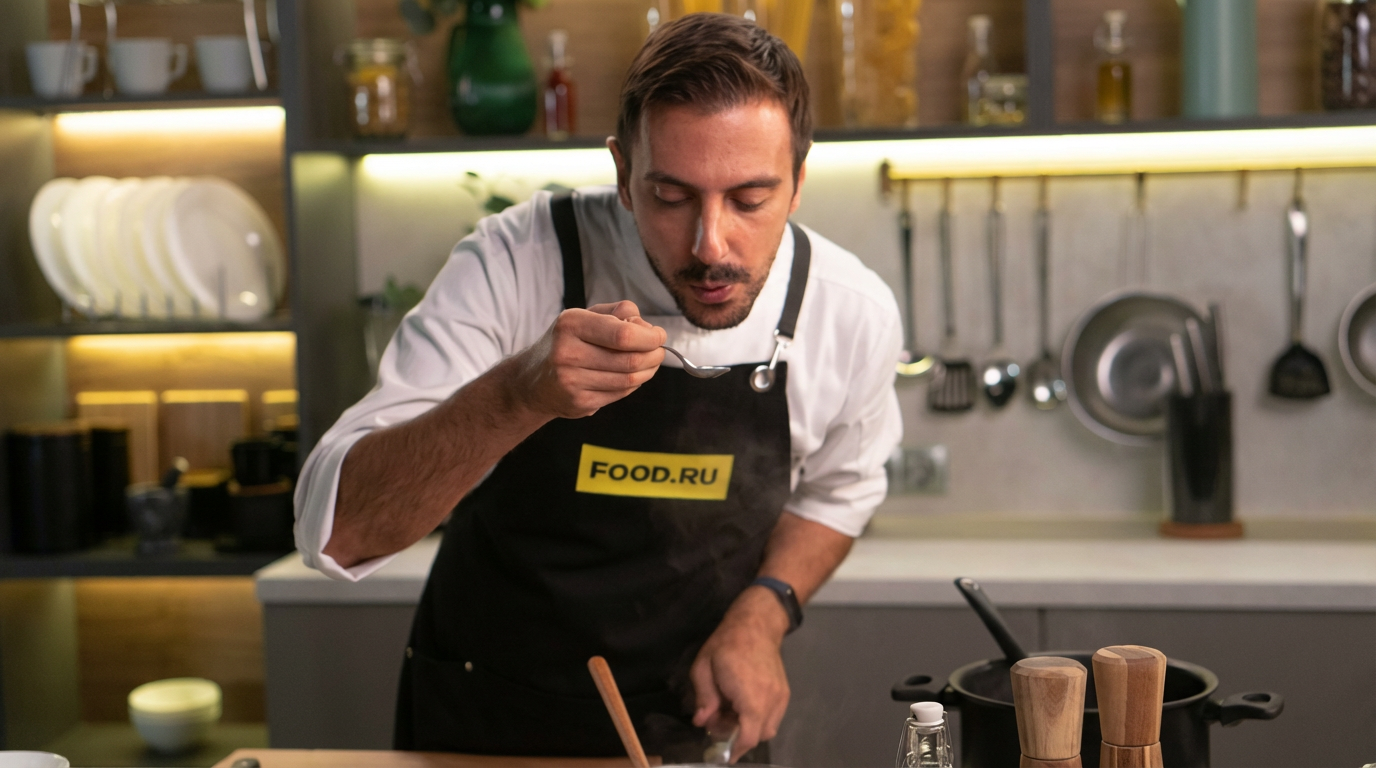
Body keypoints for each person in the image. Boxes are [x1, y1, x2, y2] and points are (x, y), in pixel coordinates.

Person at [294, 12, 902, 762]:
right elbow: (338, 530)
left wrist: (765, 610)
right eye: (670, 196)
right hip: (486, 722)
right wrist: (516, 397)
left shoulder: (848, 311)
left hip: (696, 726)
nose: (710, 244)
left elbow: (840, 490)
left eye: (749, 199)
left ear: (800, 181)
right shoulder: (517, 262)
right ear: (621, 172)